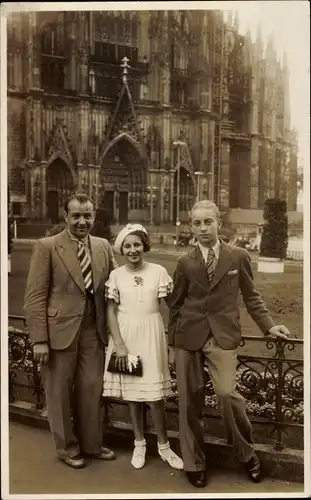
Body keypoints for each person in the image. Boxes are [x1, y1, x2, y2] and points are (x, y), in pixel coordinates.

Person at [167, 200, 290, 488]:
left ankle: (247, 455)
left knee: (225, 394)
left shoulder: (238, 256)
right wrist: (172, 344)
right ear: (191, 225)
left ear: (218, 222)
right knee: (188, 402)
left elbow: (251, 296)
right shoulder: (185, 262)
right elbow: (175, 304)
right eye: (196, 223)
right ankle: (194, 462)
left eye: (207, 222)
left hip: (222, 336)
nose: (202, 228)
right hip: (188, 336)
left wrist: (269, 326)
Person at [24, 193, 117, 469]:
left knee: (91, 388)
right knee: (59, 391)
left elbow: (114, 286)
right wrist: (39, 339)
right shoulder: (47, 246)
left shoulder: (102, 246)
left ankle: (92, 444)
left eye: (87, 215)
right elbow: (35, 296)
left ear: (93, 217)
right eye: (76, 215)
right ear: (65, 216)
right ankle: (67, 448)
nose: (82, 221)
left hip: (93, 328)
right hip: (57, 331)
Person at [103, 223, 183, 471]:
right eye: (127, 245)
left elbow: (174, 307)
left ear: (144, 245)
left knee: (156, 397)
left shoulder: (158, 271)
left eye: (137, 244)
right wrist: (119, 344)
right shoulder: (116, 276)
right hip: (126, 337)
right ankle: (139, 443)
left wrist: (173, 343)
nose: (133, 249)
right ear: (122, 249)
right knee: (133, 396)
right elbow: (110, 312)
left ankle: (164, 445)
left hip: (152, 335)